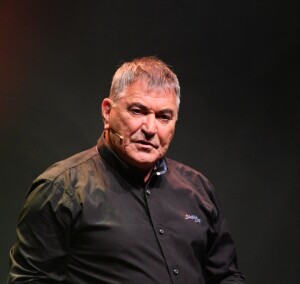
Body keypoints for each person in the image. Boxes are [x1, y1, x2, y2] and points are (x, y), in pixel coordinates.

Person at [7, 56, 245, 283]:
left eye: (164, 116)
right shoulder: (61, 189)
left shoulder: (198, 189)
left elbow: (225, 276)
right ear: (107, 112)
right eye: (138, 111)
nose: (150, 128)